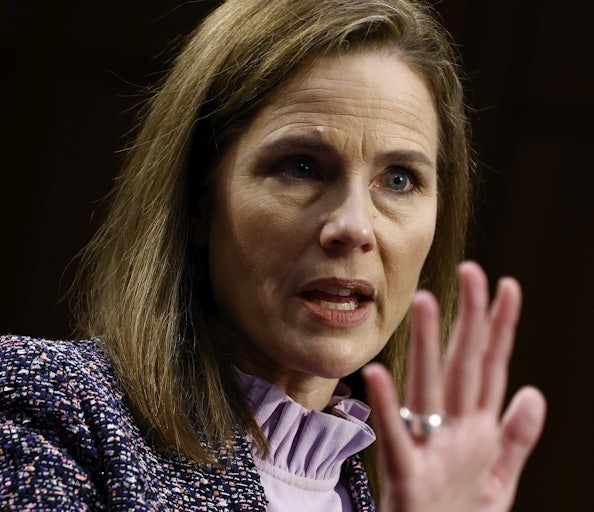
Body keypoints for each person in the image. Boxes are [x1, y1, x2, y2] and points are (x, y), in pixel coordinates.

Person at [0, 0, 546, 510]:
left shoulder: (400, 494)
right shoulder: (49, 408)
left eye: (399, 179)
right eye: (301, 167)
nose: (354, 226)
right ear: (197, 200)